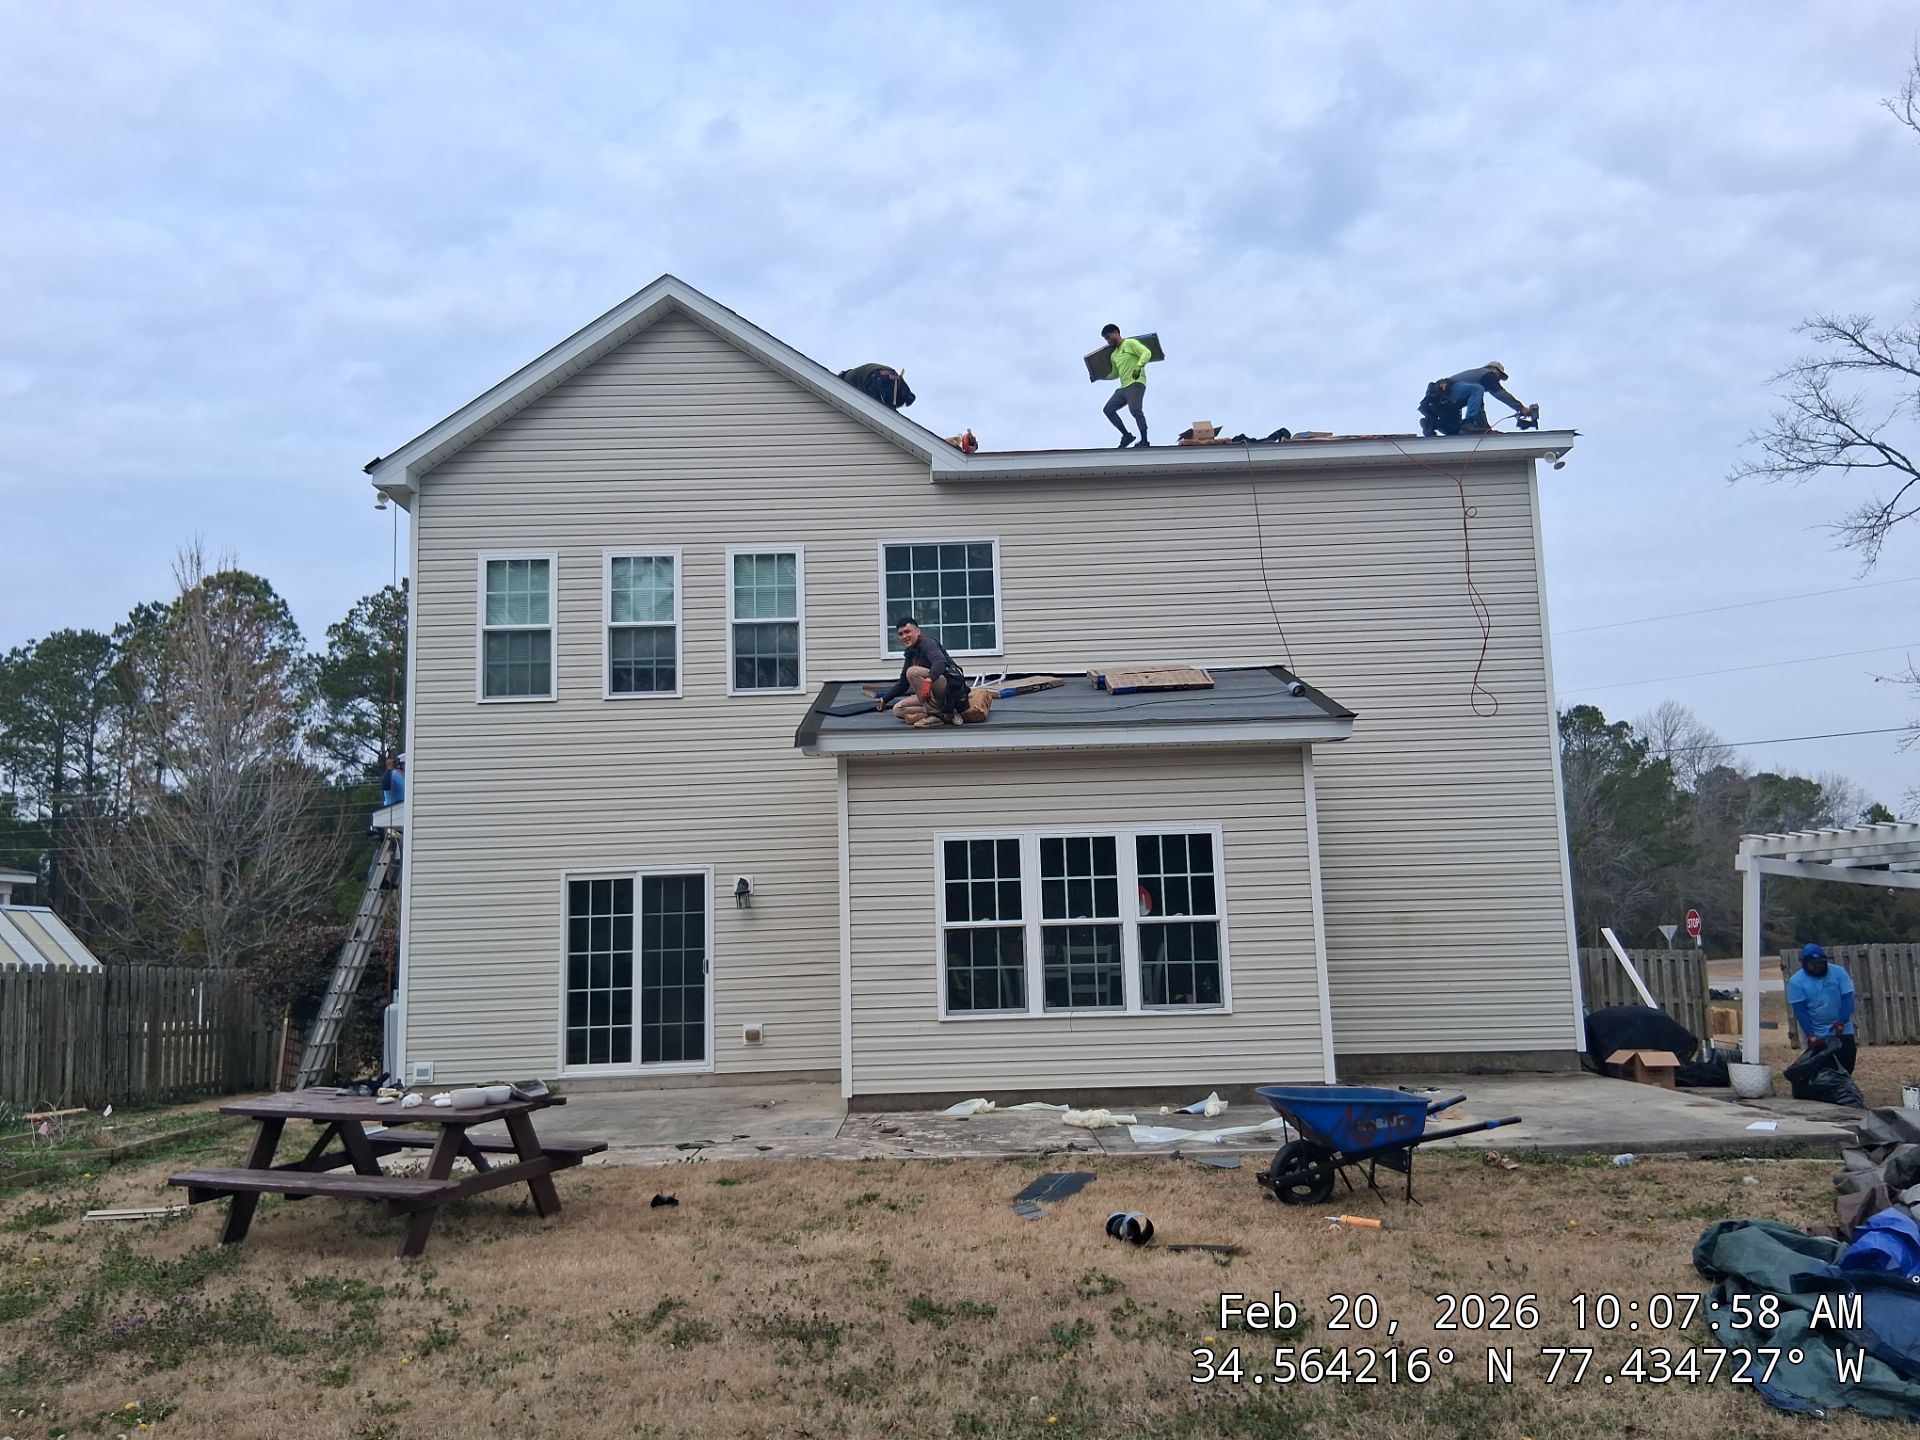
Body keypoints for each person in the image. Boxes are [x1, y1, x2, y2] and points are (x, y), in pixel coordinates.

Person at [876, 617, 969, 727]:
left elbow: (940, 662)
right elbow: (903, 683)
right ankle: (946, 713)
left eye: (907, 632)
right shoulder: (911, 652)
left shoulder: (927, 644)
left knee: (912, 672)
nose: (904, 636)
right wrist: (884, 699)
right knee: (898, 709)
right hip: (932, 694)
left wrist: (929, 680)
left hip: (948, 689)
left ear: (918, 631)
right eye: (901, 634)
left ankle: (934, 715)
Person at [1788, 943, 1856, 1073]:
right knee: (1821, 1067)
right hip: (1818, 1031)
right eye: (1813, 965)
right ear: (1805, 964)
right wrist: (1811, 1035)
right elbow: (1800, 1011)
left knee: (1847, 1061)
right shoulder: (1796, 981)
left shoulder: (1838, 973)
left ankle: (1842, 1087)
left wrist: (1841, 1021)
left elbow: (1848, 999)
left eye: (1820, 964)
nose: (1818, 968)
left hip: (1842, 1028)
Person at [1418, 361, 1534, 436]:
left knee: (1455, 431)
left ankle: (1431, 423)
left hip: (1442, 404)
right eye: (1499, 376)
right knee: (1477, 389)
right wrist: (1520, 408)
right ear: (1494, 369)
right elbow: (1499, 393)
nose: (1498, 380)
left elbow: (1479, 409)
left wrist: (1486, 430)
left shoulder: (1474, 393)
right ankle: (1469, 422)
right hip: (1446, 393)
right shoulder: (1487, 374)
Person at [1099, 325, 1153, 448]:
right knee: (1108, 409)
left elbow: (1146, 353)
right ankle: (1127, 435)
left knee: (1135, 410)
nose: (1108, 341)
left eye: (1109, 337)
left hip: (1136, 383)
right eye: (1106, 339)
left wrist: (1139, 366)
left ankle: (1144, 441)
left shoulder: (1130, 343)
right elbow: (1115, 373)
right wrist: (1101, 377)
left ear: (1116, 332)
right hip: (1123, 387)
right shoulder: (1114, 355)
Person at [838, 363, 916, 410]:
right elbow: (899, 381)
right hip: (891, 375)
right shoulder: (856, 373)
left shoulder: (846, 380)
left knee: (874, 405)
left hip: (876, 377)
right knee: (888, 406)